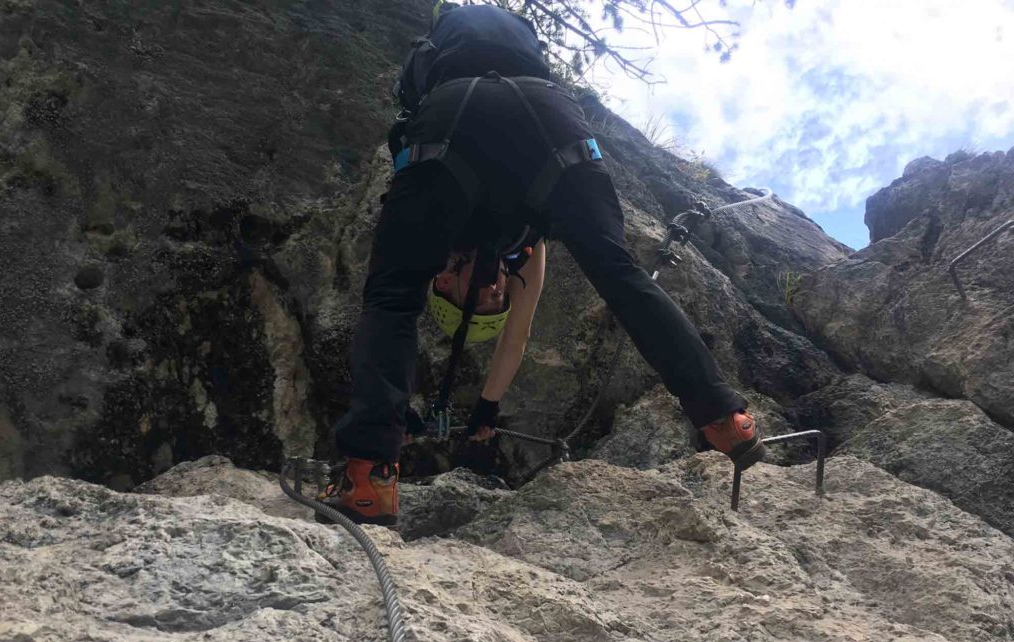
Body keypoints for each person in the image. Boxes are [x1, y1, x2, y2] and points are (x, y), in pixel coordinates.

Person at [318, 2, 765, 527]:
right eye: (498, 301)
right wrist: (488, 404)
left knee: (392, 293)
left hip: (458, 109)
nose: (496, 293)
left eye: (478, 300)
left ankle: (366, 473)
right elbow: (518, 334)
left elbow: (395, 302)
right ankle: (725, 420)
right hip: (549, 115)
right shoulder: (525, 255)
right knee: (617, 269)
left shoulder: (436, 247)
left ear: (442, 280)